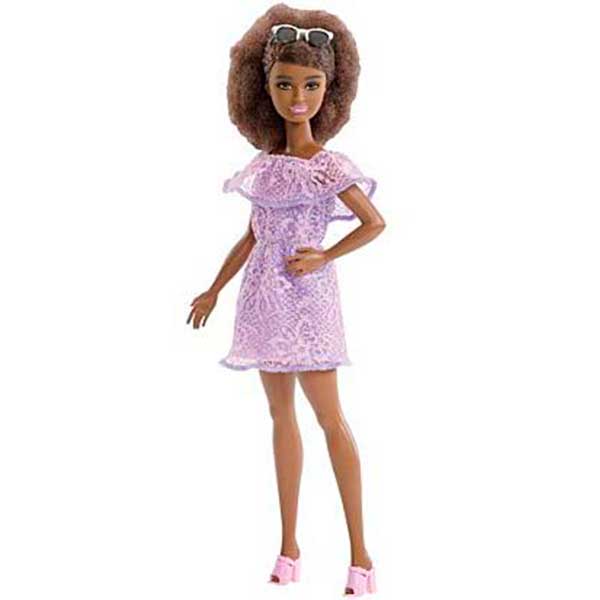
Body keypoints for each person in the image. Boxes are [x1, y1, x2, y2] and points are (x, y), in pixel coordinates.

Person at [187, 3, 386, 595]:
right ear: (263, 88)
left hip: (308, 299)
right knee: (280, 418)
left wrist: (326, 254)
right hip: (262, 298)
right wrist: (215, 288)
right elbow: (252, 234)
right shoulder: (266, 166)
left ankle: (361, 553)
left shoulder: (329, 166)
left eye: (311, 85)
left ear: (330, 90)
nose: (298, 97)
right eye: (284, 84)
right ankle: (290, 546)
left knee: (329, 417)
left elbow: (374, 222)